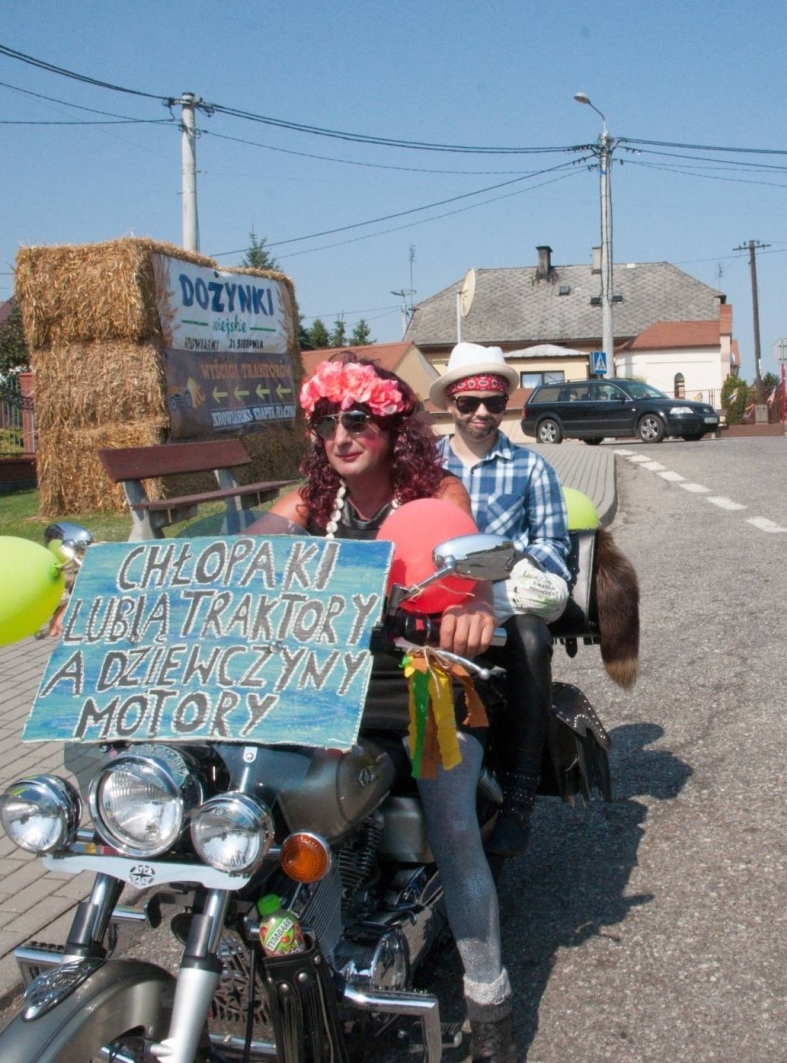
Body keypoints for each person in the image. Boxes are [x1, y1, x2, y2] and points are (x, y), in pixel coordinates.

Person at [260, 353, 517, 1061]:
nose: (339, 433)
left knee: (455, 827)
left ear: (391, 423)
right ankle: (309, 976)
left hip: (420, 685)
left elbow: (472, 570)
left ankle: (489, 1001)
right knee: (279, 820)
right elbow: (242, 555)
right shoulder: (308, 501)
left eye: (356, 418)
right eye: (324, 420)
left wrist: (472, 603)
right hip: (329, 689)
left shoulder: (438, 490)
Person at [427, 342, 573, 858]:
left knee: (533, 639)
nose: (482, 413)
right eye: (469, 403)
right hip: (433, 597)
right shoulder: (423, 466)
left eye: (493, 401)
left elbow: (554, 545)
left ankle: (518, 798)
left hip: (504, 598)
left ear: (506, 402)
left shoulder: (531, 469)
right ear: (451, 404)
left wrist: (497, 573)